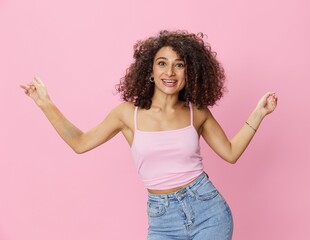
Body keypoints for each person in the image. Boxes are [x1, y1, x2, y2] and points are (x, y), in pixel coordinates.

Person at [20, 30, 278, 240]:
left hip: (208, 210)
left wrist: (259, 113)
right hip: (162, 219)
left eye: (180, 65)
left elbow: (230, 153)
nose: (170, 72)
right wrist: (45, 104)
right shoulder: (127, 114)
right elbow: (80, 143)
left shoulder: (196, 112)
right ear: (150, 71)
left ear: (190, 73)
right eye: (162, 63)